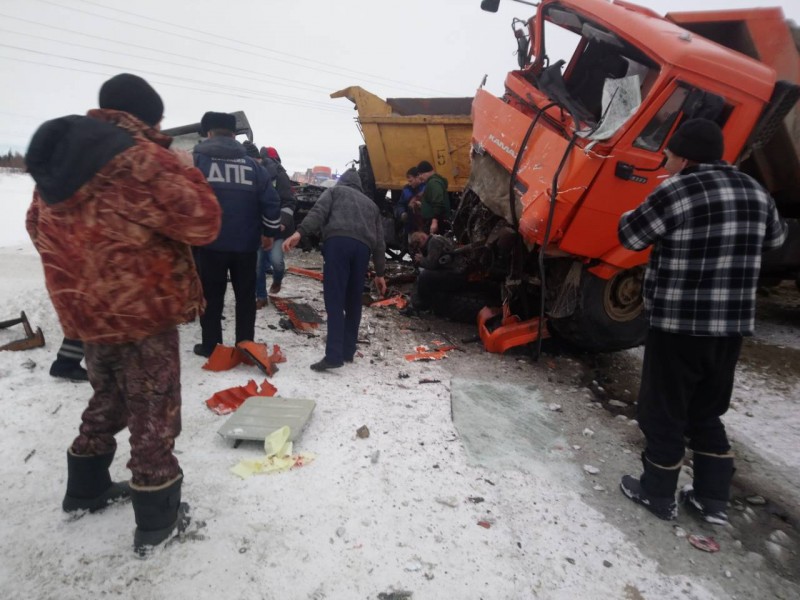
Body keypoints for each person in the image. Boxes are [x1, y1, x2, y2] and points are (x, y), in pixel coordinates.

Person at [25, 73, 222, 556]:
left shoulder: (63, 163)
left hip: (86, 314)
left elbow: (36, 227)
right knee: (153, 410)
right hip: (141, 311)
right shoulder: (141, 159)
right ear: (149, 117)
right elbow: (204, 220)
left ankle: (86, 488)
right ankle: (158, 519)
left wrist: (82, 278)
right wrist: (184, 167)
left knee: (108, 396)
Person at [617, 118, 787, 523]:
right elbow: (777, 241)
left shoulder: (677, 189)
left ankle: (658, 493)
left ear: (685, 156)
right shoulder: (755, 190)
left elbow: (631, 236)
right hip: (730, 328)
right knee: (706, 411)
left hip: (679, 325)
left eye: (670, 153)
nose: (666, 159)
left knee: (663, 410)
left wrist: (638, 200)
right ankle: (713, 498)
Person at [192, 112, 281, 357]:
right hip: (245, 246)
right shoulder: (253, 166)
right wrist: (269, 232)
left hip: (210, 245)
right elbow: (271, 202)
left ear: (209, 133)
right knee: (245, 297)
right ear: (234, 135)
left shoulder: (197, 161)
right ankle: (244, 344)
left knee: (211, 297)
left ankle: (211, 346)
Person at [283, 168, 387, 371]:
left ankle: (333, 356)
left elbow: (318, 213)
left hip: (338, 244)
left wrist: (299, 233)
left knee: (335, 300)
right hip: (362, 250)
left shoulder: (334, 192)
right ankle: (348, 351)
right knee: (353, 300)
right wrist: (381, 274)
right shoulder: (371, 206)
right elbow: (380, 243)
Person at [255, 146, 296, 304]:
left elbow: (289, 201)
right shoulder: (254, 173)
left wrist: (283, 222)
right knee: (258, 265)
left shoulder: (281, 176)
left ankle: (277, 279)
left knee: (277, 262)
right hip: (259, 227)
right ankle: (261, 296)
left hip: (278, 229)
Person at [400, 231, 470, 316]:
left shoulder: (434, 241)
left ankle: (420, 306)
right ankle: (417, 305)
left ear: (423, 238)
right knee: (423, 276)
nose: (419, 248)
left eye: (418, 244)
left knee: (424, 276)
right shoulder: (436, 239)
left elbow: (431, 264)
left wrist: (421, 259)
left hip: (456, 274)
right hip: (455, 272)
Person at [416, 160, 451, 235]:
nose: (420, 178)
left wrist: (434, 222)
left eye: (420, 174)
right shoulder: (432, 182)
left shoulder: (433, 183)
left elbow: (438, 203)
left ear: (425, 172)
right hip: (435, 221)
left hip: (437, 223)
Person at [394, 166, 425, 242]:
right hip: (411, 227)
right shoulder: (406, 190)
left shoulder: (427, 188)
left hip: (424, 226)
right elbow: (400, 204)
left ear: (417, 177)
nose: (409, 183)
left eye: (411, 181)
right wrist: (402, 213)